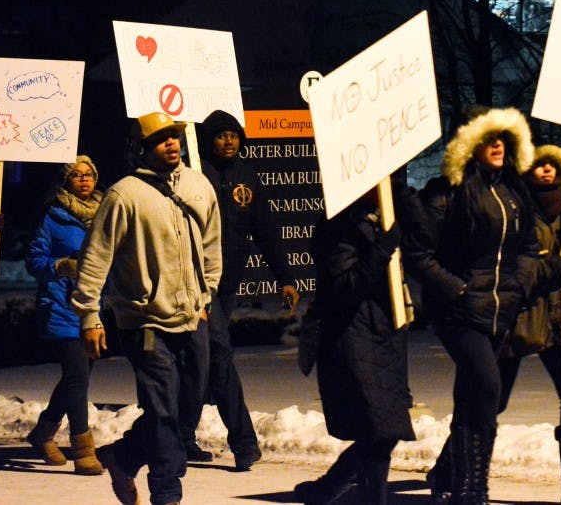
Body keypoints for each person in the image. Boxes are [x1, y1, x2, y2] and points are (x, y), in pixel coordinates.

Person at [72, 112, 221, 505]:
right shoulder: (124, 194)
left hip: (194, 318)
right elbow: (94, 258)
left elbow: (212, 245)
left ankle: (123, 456)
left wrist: (207, 297)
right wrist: (89, 315)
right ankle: (167, 495)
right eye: (160, 139)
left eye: (174, 136)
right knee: (165, 413)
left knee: (186, 410)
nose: (171, 143)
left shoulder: (198, 185)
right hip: (146, 322)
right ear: (142, 148)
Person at [412, 105, 540, 504]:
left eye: (502, 136)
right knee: (485, 386)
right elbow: (418, 253)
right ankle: (474, 490)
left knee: (482, 397)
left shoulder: (513, 190)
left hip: (503, 310)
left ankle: (449, 473)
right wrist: (459, 290)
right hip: (461, 313)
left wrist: (519, 285)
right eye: (488, 138)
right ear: (469, 144)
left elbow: (530, 247)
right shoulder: (445, 192)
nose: (497, 144)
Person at [177, 109, 299, 470]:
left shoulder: (248, 176)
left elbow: (266, 229)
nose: (228, 141)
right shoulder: (193, 176)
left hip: (227, 285)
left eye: (234, 134)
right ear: (207, 141)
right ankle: (244, 442)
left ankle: (181, 436)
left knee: (201, 362)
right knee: (218, 354)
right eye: (220, 135)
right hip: (196, 284)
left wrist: (285, 277)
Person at [293, 175, 425, 504]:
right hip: (353, 336)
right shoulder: (336, 226)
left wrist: (402, 195)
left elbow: (426, 237)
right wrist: (381, 249)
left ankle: (329, 486)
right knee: (380, 428)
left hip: (385, 333)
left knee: (385, 428)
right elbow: (346, 287)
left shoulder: (386, 213)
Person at [496, 144, 561, 504]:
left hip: (556, 318)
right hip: (520, 319)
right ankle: (450, 469)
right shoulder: (517, 212)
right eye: (540, 165)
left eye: (553, 166)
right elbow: (528, 274)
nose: (547, 171)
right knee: (493, 401)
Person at [23, 154, 105, 475]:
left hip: (92, 308)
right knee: (77, 376)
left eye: (89, 174)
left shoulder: (105, 215)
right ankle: (82, 447)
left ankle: (42, 433)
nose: (84, 179)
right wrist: (60, 267)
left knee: (76, 378)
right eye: (76, 174)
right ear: (66, 180)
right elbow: (34, 262)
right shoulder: (53, 217)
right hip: (60, 306)